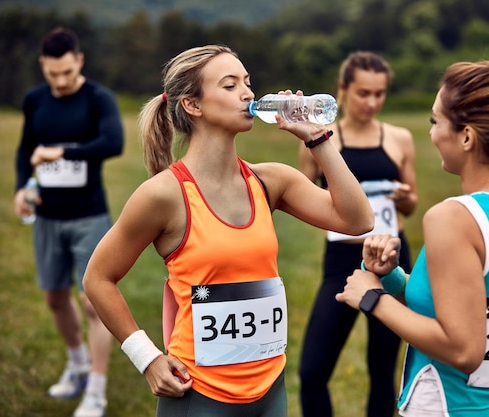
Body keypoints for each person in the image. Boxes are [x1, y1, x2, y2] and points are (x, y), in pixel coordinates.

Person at [82, 45, 374, 417]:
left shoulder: (271, 180)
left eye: (248, 83)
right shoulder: (163, 195)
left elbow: (357, 220)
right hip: (198, 393)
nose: (248, 93)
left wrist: (317, 139)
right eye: (230, 85)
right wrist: (148, 358)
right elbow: (98, 278)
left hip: (271, 388)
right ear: (193, 105)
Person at [336, 60, 489, 417]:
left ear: (466, 136)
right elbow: (466, 305)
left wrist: (371, 298)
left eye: (436, 121)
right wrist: (391, 277)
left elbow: (464, 349)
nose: (432, 134)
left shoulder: (454, 218)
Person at [297, 51, 417, 417]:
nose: (372, 102)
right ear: (343, 90)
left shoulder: (399, 138)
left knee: (382, 370)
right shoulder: (318, 139)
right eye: (363, 93)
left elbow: (410, 206)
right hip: (341, 261)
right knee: (312, 370)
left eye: (379, 93)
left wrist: (404, 197)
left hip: (390, 261)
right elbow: (302, 199)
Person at [13, 27, 124, 417]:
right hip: (47, 216)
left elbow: (114, 143)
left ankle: (96, 390)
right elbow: (26, 149)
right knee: (55, 297)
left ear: (79, 61)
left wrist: (62, 151)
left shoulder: (98, 99)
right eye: (52, 74)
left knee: (92, 302)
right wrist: (20, 187)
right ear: (44, 65)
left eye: (67, 73)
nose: (60, 82)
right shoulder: (35, 101)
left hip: (89, 215)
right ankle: (77, 366)